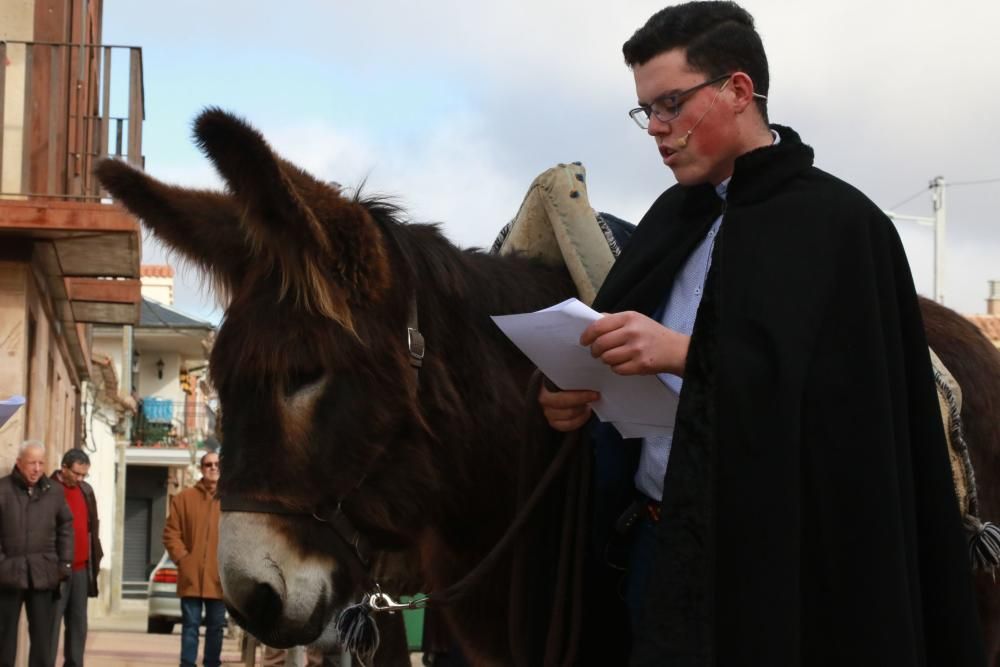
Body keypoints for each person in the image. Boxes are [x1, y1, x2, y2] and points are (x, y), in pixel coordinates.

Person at [537, 2, 986, 664]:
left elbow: (857, 409)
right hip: (656, 554)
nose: (656, 130)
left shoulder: (841, 227)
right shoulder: (669, 220)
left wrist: (685, 354)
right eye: (646, 112)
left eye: (670, 105)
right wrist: (565, 397)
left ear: (738, 90)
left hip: (784, 578)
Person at [0, 441, 73, 667]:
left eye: (41, 463)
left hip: (44, 574)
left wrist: (63, 565)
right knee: (3, 639)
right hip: (8, 575)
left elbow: (66, 528)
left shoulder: (55, 492)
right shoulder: (2, 489)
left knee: (43, 639)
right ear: (19, 463)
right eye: (32, 462)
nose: (37, 468)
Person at [163, 451, 224, 667]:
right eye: (209, 464)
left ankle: (211, 664)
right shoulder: (183, 499)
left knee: (216, 627)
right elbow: (171, 533)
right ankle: (187, 664)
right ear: (201, 468)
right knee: (190, 625)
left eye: (217, 464)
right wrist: (183, 559)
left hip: (219, 578)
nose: (213, 468)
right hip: (191, 577)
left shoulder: (230, 501)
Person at [49, 449, 103, 667]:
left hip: (81, 569)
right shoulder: (49, 489)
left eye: (84, 475)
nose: (80, 479)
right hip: (56, 570)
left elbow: (92, 528)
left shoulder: (86, 491)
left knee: (78, 626)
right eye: (77, 474)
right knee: (51, 626)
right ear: (64, 467)